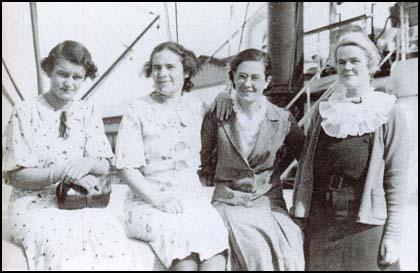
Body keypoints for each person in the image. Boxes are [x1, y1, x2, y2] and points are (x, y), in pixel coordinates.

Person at [2, 40, 136, 270]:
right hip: (34, 205)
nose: (69, 83)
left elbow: (105, 165)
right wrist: (58, 172)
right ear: (49, 70)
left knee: (113, 240)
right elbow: (14, 176)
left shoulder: (88, 111)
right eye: (62, 74)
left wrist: (88, 162)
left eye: (77, 77)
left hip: (81, 202)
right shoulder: (25, 111)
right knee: (63, 249)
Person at [291, 31, 414, 271]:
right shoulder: (324, 111)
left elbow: (396, 180)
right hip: (322, 222)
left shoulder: (388, 111)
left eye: (354, 61)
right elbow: (305, 171)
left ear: (370, 65)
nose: (347, 67)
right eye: (341, 61)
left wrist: (393, 235)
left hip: (366, 225)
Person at [114, 41, 229, 271]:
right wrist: (159, 199)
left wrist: (227, 95)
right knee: (184, 259)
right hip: (147, 201)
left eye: (170, 67)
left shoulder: (198, 107)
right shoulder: (138, 110)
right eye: (157, 68)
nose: (162, 74)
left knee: (215, 253)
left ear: (186, 71)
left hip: (191, 199)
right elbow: (126, 169)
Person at [199, 48, 305, 271]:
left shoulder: (282, 119)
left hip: (267, 202)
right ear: (233, 79)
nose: (248, 84)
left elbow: (306, 159)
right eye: (242, 77)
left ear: (267, 81)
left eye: (255, 78)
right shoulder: (216, 115)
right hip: (228, 201)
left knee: (292, 242)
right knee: (252, 247)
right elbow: (204, 160)